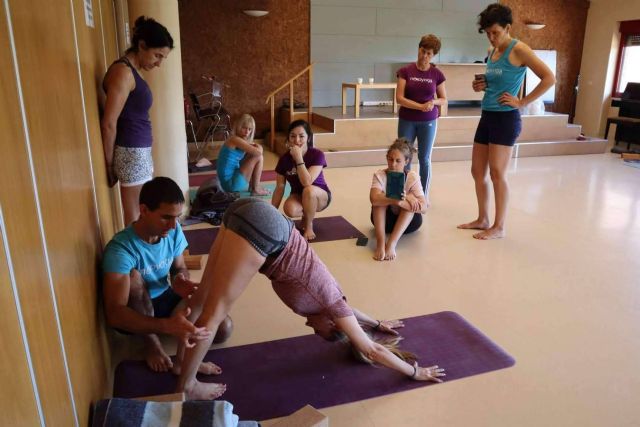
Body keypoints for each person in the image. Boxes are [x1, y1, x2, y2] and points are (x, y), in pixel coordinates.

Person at [175, 198, 445, 400]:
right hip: (265, 230)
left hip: (249, 212)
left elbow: (349, 311)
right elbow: (372, 350)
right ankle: (187, 385)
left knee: (201, 297)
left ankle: (182, 363)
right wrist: (414, 373)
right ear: (334, 323)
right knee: (215, 313)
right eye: (320, 331)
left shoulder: (332, 303)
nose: (310, 328)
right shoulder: (331, 302)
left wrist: (375, 323)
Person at [102, 177, 232, 373]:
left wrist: (180, 279)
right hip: (136, 306)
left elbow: (179, 267)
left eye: (177, 217)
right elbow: (115, 314)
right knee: (134, 277)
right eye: (166, 217)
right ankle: (151, 344)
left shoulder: (172, 230)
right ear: (144, 210)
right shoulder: (120, 249)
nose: (173, 226)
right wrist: (166, 326)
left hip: (165, 297)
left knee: (223, 329)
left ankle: (171, 337)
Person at [458, 3, 555, 239]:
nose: (491, 38)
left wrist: (522, 102)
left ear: (508, 28)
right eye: (488, 34)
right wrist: (479, 85)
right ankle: (483, 218)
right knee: (477, 170)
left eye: (495, 33)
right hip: (487, 115)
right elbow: (494, 81)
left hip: (506, 118)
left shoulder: (519, 49)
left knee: (497, 173)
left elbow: (549, 78)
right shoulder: (492, 52)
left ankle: (499, 227)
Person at [101, 16, 173, 225]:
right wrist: (109, 164)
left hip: (137, 153)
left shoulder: (131, 73)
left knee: (145, 214)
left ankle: (146, 255)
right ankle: (138, 257)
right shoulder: (122, 73)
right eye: (157, 55)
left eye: (163, 58)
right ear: (141, 45)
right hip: (131, 154)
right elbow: (109, 123)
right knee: (137, 218)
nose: (158, 63)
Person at [396, 34, 447, 206]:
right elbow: (400, 98)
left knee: (424, 159)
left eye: (429, 54)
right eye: (423, 51)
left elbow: (444, 99)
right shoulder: (406, 71)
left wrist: (433, 102)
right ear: (418, 49)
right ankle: (400, 194)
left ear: (433, 55)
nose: (424, 56)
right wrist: (419, 106)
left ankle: (423, 196)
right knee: (403, 157)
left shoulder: (436, 74)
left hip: (428, 122)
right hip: (407, 120)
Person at [272, 120, 331, 241]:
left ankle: (309, 225)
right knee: (290, 209)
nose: (297, 140)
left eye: (301, 136)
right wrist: (271, 212)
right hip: (298, 196)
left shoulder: (317, 154)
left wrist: (298, 158)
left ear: (308, 138)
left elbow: (307, 182)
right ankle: (306, 215)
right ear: (288, 138)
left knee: (308, 190)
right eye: (292, 136)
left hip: (319, 196)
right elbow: (280, 188)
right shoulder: (284, 159)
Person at [370, 139, 426, 261]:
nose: (393, 164)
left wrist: (406, 199)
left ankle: (391, 243)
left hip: (409, 224)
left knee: (409, 205)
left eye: (398, 161)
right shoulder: (380, 175)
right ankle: (381, 242)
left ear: (406, 161)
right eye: (390, 159)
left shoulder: (412, 177)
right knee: (380, 200)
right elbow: (374, 200)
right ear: (387, 158)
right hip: (385, 223)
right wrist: (395, 200)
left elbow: (424, 207)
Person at [216, 114, 270, 196]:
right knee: (258, 157)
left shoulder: (238, 140)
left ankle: (253, 187)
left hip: (227, 182)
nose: (247, 132)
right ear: (238, 126)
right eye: (244, 128)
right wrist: (260, 146)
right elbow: (258, 152)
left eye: (250, 129)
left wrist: (256, 147)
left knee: (252, 155)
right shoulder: (235, 140)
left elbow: (253, 150)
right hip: (230, 184)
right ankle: (256, 188)